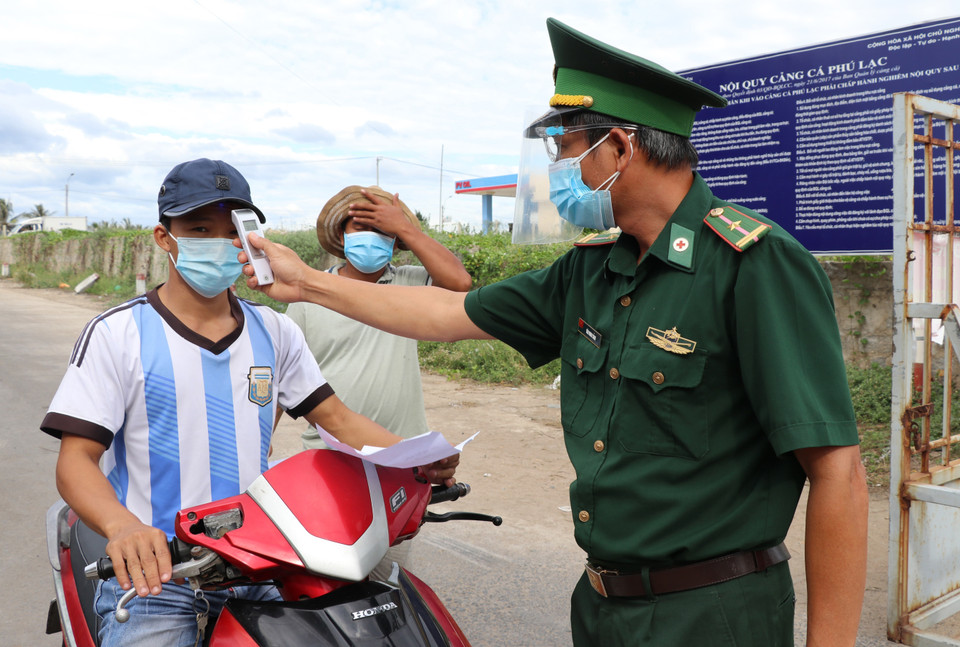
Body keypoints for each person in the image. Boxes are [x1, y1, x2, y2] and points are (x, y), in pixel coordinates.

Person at [237, 18, 868, 647]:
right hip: (601, 606)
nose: (556, 171)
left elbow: (837, 469)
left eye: (566, 149)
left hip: (714, 614)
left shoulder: (751, 265)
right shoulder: (591, 270)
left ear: (620, 149)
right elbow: (447, 315)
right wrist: (306, 283)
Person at [40, 158, 457, 647]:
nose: (219, 243)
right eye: (199, 228)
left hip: (259, 562)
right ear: (164, 237)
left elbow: (338, 418)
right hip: (159, 576)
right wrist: (123, 527)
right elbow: (75, 461)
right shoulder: (117, 333)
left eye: (230, 230)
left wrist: (418, 459)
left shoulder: (274, 330)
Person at [285, 185, 471, 580]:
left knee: (387, 582)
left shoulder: (410, 283)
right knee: (330, 578)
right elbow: (285, 376)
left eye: (383, 232)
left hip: (402, 459)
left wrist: (409, 229)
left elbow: (459, 285)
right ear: (341, 235)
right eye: (361, 227)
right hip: (331, 462)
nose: (372, 239)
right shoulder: (307, 296)